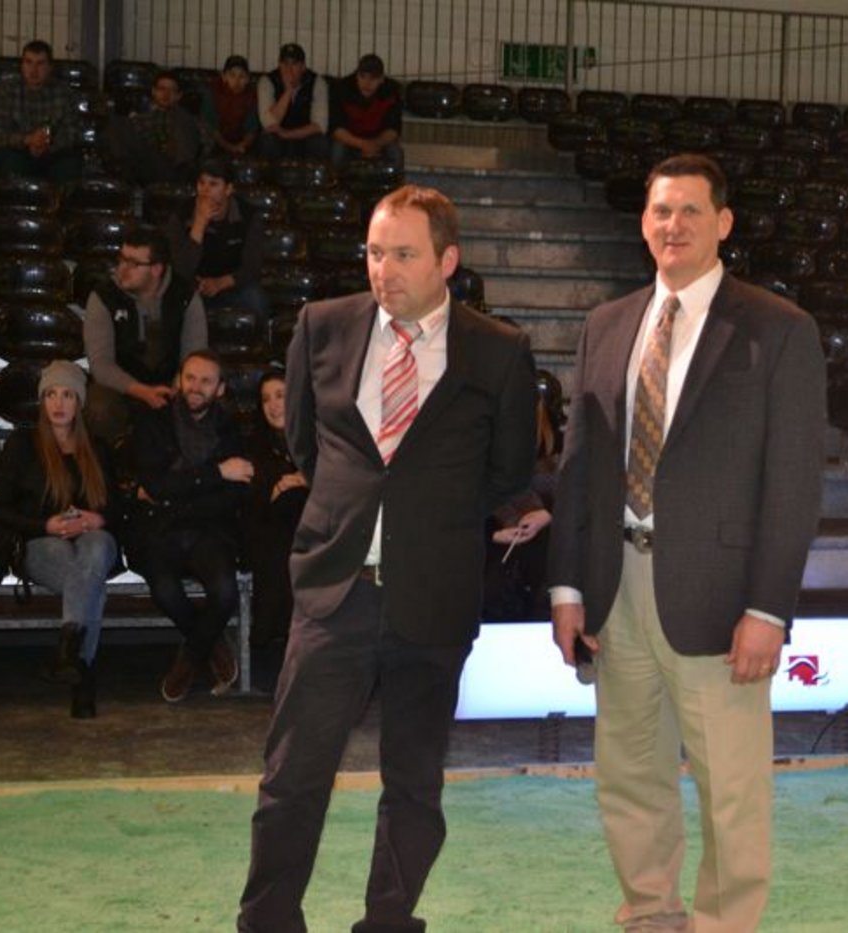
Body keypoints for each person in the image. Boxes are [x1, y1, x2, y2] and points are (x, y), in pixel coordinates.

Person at [238, 185, 536, 932]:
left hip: (432, 598)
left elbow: (506, 471)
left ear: (448, 260)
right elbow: (307, 443)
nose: (384, 268)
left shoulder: (499, 351)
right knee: (290, 780)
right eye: (375, 251)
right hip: (335, 593)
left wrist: (424, 521)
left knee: (413, 784)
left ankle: (389, 922)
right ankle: (268, 921)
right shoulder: (322, 326)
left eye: (403, 253)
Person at [547, 153, 826, 932]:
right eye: (661, 211)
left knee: (733, 791)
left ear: (723, 223)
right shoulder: (606, 326)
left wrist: (769, 607)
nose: (673, 225)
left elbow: (795, 485)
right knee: (630, 776)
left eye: (691, 212)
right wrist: (568, 587)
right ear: (644, 222)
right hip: (616, 589)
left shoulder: (779, 330)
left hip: (721, 598)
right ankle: (649, 913)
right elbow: (578, 468)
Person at [0, 360, 121, 719]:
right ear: (42, 401)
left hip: (94, 541)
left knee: (95, 547)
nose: (58, 404)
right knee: (89, 581)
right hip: (41, 543)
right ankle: (83, 675)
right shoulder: (22, 445)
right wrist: (44, 525)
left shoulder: (98, 448)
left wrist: (99, 518)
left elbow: (122, 510)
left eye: (67, 395)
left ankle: (68, 651)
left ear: (79, 402)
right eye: (50, 394)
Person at [126, 350, 250, 702]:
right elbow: (155, 484)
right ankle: (211, 647)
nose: (196, 387)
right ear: (179, 380)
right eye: (190, 378)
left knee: (225, 591)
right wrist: (216, 473)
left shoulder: (230, 429)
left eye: (206, 381)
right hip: (160, 529)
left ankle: (191, 656)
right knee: (164, 591)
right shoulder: (153, 421)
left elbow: (232, 496)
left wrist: (178, 491)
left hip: (210, 529)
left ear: (221, 389)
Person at [83, 226, 208, 443]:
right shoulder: (103, 297)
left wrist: (176, 388)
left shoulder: (185, 296)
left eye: (134, 264)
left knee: (207, 398)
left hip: (172, 385)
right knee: (98, 407)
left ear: (157, 269)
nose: (123, 269)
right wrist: (142, 392)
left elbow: (195, 357)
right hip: (121, 387)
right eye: (122, 259)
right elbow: (101, 365)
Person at [243, 369, 307, 690]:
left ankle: (269, 638)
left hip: (309, 531)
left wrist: (299, 483)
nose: (273, 405)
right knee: (281, 538)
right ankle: (279, 646)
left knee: (294, 503)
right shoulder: (254, 444)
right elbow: (256, 501)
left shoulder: (317, 438)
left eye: (280, 395)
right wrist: (281, 486)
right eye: (266, 398)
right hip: (268, 531)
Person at [484, 372, 562, 621]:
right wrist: (493, 535)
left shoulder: (560, 452)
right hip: (493, 577)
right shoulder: (481, 450)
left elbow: (582, 505)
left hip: (542, 577)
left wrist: (548, 514)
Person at [164, 159, 269, 321]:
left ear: (228, 189)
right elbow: (180, 270)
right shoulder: (180, 215)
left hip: (232, 284)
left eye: (213, 184)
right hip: (194, 285)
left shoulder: (249, 216)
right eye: (201, 183)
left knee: (255, 298)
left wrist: (220, 283)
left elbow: (252, 267)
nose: (205, 190)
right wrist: (199, 224)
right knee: (172, 295)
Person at [0, 39, 83, 182]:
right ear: (21, 65)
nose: (33, 70)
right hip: (16, 152)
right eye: (28, 62)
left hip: (52, 153)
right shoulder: (3, 91)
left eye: (40, 63)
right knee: (9, 162)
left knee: (71, 164)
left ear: (50, 67)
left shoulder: (64, 93)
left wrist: (46, 144)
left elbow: (72, 133)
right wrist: (28, 140)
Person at [105, 70, 203, 184]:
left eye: (172, 90)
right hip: (140, 163)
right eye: (162, 89)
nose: (166, 94)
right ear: (153, 91)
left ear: (178, 96)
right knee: (117, 124)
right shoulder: (140, 118)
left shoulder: (185, 120)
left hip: (171, 168)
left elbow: (196, 145)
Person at [328, 53, 403, 169]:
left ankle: (395, 186)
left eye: (373, 78)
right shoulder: (342, 89)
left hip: (379, 140)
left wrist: (375, 144)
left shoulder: (391, 92)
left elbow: (393, 130)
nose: (366, 83)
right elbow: (337, 130)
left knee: (395, 152)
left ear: (382, 79)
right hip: (351, 139)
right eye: (362, 76)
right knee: (337, 150)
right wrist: (363, 145)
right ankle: (336, 184)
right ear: (356, 75)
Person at [256, 42, 330, 160]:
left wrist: (287, 134)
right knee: (268, 140)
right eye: (285, 64)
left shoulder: (317, 82)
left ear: (303, 67)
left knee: (320, 142)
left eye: (294, 64)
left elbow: (320, 126)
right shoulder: (267, 81)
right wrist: (288, 91)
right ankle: (270, 178)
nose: (288, 69)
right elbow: (269, 122)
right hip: (277, 138)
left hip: (303, 136)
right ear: (279, 65)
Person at [202, 54, 260, 157]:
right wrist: (230, 147)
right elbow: (211, 128)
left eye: (241, 76)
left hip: (243, 143)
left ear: (247, 79)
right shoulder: (212, 92)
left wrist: (241, 146)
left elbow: (252, 129)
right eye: (232, 75)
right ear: (224, 77)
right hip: (216, 141)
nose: (237, 81)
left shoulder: (251, 96)